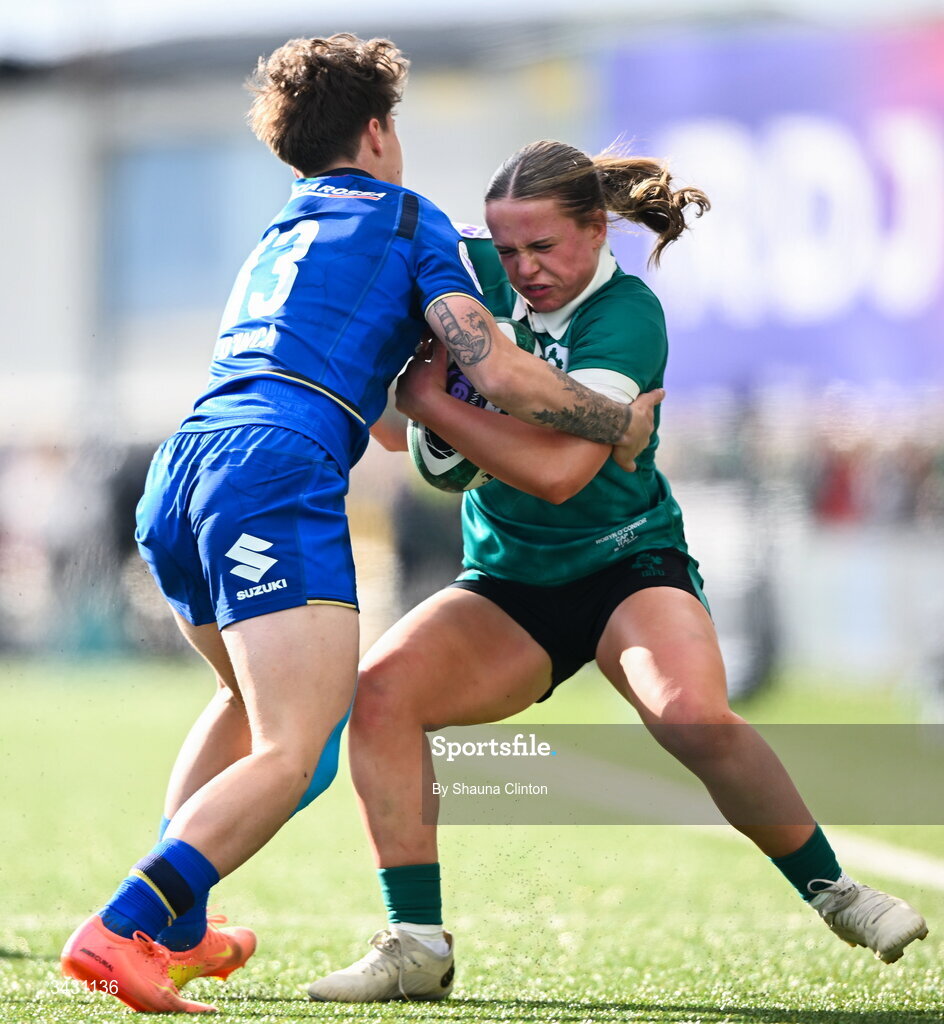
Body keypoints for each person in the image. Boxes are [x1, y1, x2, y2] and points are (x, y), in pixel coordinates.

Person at [58, 40, 662, 1014]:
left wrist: (423, 399)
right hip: (272, 471)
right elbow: (496, 370)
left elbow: (384, 419)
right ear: (378, 130)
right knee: (298, 744)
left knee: (246, 707)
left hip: (183, 466)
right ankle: (125, 923)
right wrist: (611, 420)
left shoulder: (279, 231)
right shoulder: (409, 220)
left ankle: (174, 928)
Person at [307, 139, 929, 1003]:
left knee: (691, 718)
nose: (524, 269)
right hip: (509, 583)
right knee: (377, 695)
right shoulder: (465, 273)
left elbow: (561, 473)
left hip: (628, 564)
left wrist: (437, 407)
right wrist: (418, 408)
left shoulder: (629, 313)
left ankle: (839, 891)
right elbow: (401, 437)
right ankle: (416, 944)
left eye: (545, 247)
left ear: (597, 230)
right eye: (509, 248)